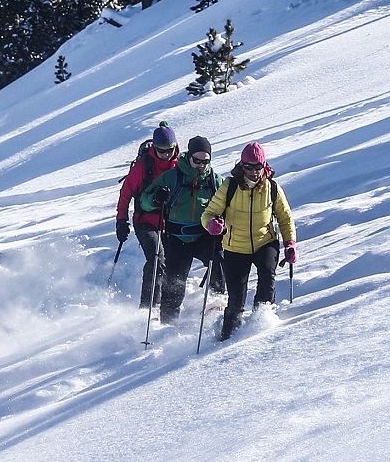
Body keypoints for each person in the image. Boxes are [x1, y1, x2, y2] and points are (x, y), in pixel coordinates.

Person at [201, 141, 296, 340]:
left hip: (265, 242)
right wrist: (212, 225)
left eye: (258, 167)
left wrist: (289, 244)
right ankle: (226, 337)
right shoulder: (230, 186)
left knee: (267, 279)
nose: (253, 172)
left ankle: (261, 327)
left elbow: (285, 217)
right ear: (241, 166)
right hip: (235, 247)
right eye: (248, 167)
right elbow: (209, 213)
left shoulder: (272, 188)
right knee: (236, 299)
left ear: (264, 165)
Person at [137, 135, 225, 323]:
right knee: (174, 284)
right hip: (177, 238)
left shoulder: (214, 180)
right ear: (189, 156)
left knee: (220, 260)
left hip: (204, 236)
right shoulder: (173, 176)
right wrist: (156, 198)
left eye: (206, 161)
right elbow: (144, 201)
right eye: (197, 160)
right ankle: (168, 322)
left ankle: (217, 306)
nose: (201, 165)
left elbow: (228, 205)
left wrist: (222, 223)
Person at [116, 123, 180, 307]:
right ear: (154, 148)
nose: (166, 154)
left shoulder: (180, 164)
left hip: (170, 222)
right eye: (161, 151)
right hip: (145, 221)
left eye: (170, 150)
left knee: (171, 262)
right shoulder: (145, 165)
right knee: (156, 258)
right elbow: (126, 192)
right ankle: (148, 306)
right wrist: (121, 220)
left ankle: (167, 304)